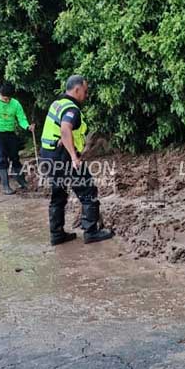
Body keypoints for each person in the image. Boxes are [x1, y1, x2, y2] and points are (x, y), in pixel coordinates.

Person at [38, 75, 114, 245]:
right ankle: (91, 232)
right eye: (85, 91)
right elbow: (65, 129)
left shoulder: (57, 104)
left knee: (58, 194)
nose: (86, 95)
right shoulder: (72, 109)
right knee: (88, 191)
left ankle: (57, 235)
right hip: (64, 157)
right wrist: (74, 156)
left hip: (48, 156)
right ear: (77, 89)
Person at [0, 84, 33, 194]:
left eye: (9, 98)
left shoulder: (16, 104)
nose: (8, 100)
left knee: (15, 157)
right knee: (0, 158)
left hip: (10, 134)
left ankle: (21, 181)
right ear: (0, 95)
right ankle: (5, 186)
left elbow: (21, 119)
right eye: (5, 98)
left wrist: (27, 126)